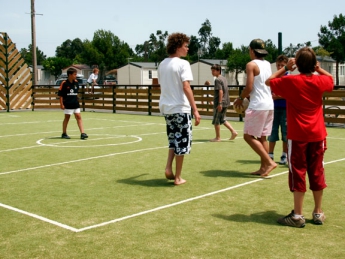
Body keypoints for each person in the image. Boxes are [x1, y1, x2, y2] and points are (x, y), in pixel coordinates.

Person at [266, 47, 333, 228]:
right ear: (313, 64)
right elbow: (331, 80)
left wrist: (286, 68)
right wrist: (318, 69)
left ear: (297, 63)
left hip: (297, 135)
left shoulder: (291, 81)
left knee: (298, 172)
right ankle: (318, 212)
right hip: (318, 134)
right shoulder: (320, 81)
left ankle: (297, 215)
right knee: (317, 171)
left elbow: (269, 81)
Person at [158, 32, 201, 186]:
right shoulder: (183, 64)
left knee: (173, 140)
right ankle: (178, 177)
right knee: (181, 143)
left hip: (167, 108)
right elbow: (186, 87)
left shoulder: (162, 64)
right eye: (185, 46)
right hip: (180, 108)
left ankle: (169, 168)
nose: (187, 49)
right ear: (177, 47)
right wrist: (195, 109)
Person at [233, 39, 277, 177]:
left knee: (248, 136)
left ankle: (269, 162)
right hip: (269, 104)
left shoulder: (251, 65)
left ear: (252, 50)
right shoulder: (268, 64)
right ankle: (263, 168)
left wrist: (240, 98)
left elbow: (249, 87)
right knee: (263, 137)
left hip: (258, 105)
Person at [268, 55, 289, 165]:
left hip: (286, 108)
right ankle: (270, 155)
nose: (280, 67)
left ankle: (284, 155)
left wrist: (279, 96)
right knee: (272, 131)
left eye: (282, 65)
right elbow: (269, 89)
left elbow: (291, 94)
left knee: (285, 133)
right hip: (274, 108)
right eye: (278, 65)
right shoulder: (274, 77)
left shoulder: (289, 78)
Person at [58, 68, 88, 140]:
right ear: (70, 75)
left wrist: (77, 99)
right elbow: (61, 95)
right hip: (68, 104)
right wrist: (61, 104)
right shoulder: (64, 83)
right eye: (74, 74)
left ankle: (82, 133)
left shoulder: (76, 82)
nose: (76, 75)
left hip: (75, 103)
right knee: (67, 118)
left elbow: (76, 93)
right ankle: (64, 133)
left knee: (78, 116)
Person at [210, 64, 238, 142]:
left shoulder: (217, 80)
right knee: (222, 119)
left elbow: (221, 91)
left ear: (218, 71)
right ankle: (233, 132)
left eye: (213, 71)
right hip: (226, 102)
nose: (212, 72)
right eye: (211, 71)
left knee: (216, 120)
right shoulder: (224, 78)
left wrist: (219, 103)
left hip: (220, 103)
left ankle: (217, 138)